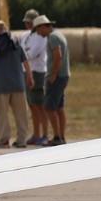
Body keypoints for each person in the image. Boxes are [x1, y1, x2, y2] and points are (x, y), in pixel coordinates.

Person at [0, 20, 32, 148]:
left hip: (1, 85)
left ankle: (4, 139)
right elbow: (25, 62)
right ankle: (22, 140)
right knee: (21, 114)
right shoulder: (16, 43)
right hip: (18, 83)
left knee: (1, 114)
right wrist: (29, 76)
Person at [31, 15, 70, 146]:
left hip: (57, 77)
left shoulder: (52, 37)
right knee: (59, 107)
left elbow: (58, 56)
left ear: (43, 26)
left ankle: (57, 137)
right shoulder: (59, 34)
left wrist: (53, 74)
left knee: (49, 107)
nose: (38, 33)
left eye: (38, 29)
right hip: (64, 75)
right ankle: (61, 136)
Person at [20, 9, 50, 145]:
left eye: (29, 22)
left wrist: (25, 54)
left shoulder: (41, 36)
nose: (27, 24)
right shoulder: (25, 35)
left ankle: (45, 134)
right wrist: (25, 54)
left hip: (37, 72)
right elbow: (22, 51)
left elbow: (32, 54)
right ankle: (36, 134)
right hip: (26, 71)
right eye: (26, 22)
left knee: (40, 105)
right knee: (32, 105)